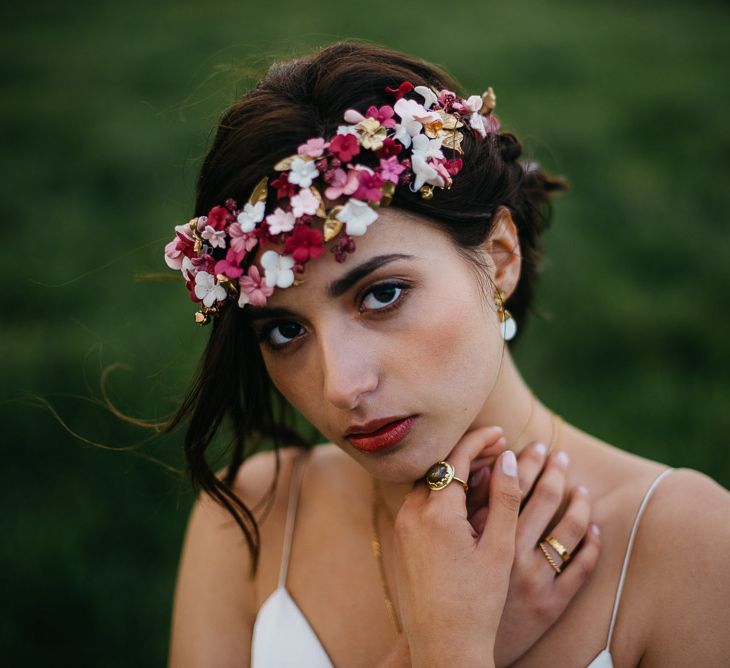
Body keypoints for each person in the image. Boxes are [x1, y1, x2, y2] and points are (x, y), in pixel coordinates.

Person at [165, 42, 730, 667]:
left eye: (382, 294)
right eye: (284, 332)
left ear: (499, 258)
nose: (340, 386)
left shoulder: (690, 544)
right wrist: (445, 647)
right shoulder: (252, 514)